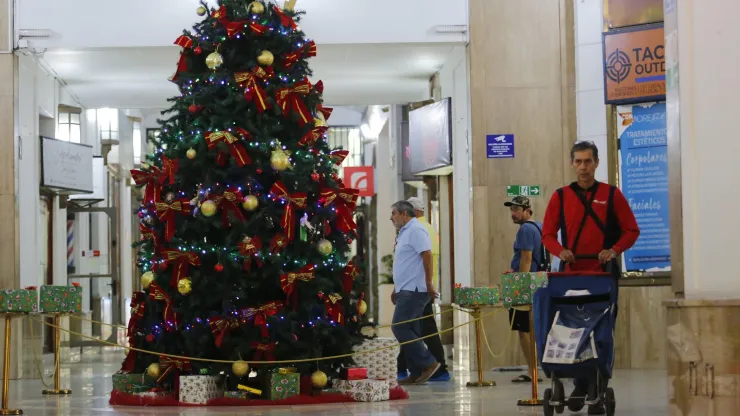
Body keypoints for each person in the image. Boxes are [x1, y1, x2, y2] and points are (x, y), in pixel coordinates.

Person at [542, 140, 640, 415]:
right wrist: (560, 251)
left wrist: (613, 250)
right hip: (570, 277)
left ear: (596, 163)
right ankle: (580, 385)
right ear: (572, 164)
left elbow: (631, 230)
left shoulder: (612, 195)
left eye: (588, 161)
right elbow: (547, 234)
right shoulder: (560, 197)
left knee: (601, 331)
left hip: (603, 278)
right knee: (571, 330)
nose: (583, 167)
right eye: (578, 161)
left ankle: (597, 385)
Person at [395, 197, 450, 382]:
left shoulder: (416, 229)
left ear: (404, 214)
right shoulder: (405, 231)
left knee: (400, 327)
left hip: (415, 289)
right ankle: (417, 371)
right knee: (412, 329)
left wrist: (428, 283)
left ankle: (429, 363)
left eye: (393, 213)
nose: (391, 217)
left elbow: (427, 255)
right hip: (406, 288)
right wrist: (397, 288)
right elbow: (406, 263)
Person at [503, 196, 545, 384]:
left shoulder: (526, 230)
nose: (513, 213)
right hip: (539, 280)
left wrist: (520, 283)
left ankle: (532, 370)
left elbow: (526, 258)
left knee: (523, 329)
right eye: (512, 209)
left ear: (528, 211)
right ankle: (535, 368)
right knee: (532, 327)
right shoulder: (539, 226)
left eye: (517, 210)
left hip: (526, 284)